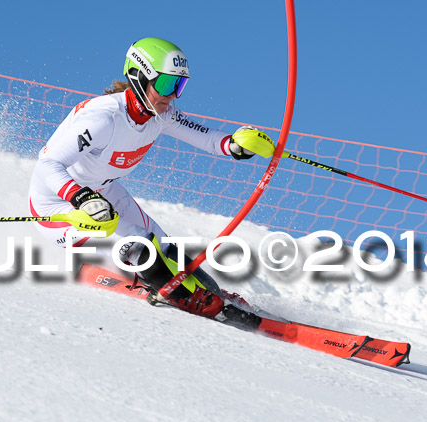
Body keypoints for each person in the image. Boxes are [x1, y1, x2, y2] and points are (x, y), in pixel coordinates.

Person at [29, 37, 259, 326]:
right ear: (139, 77)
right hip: (58, 207)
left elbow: (209, 138)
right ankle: (179, 296)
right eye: (165, 85)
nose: (172, 95)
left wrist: (235, 144)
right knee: (139, 241)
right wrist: (81, 197)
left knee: (163, 245)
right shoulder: (103, 118)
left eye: (179, 86)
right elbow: (47, 164)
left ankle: (209, 293)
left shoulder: (160, 114)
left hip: (103, 192)